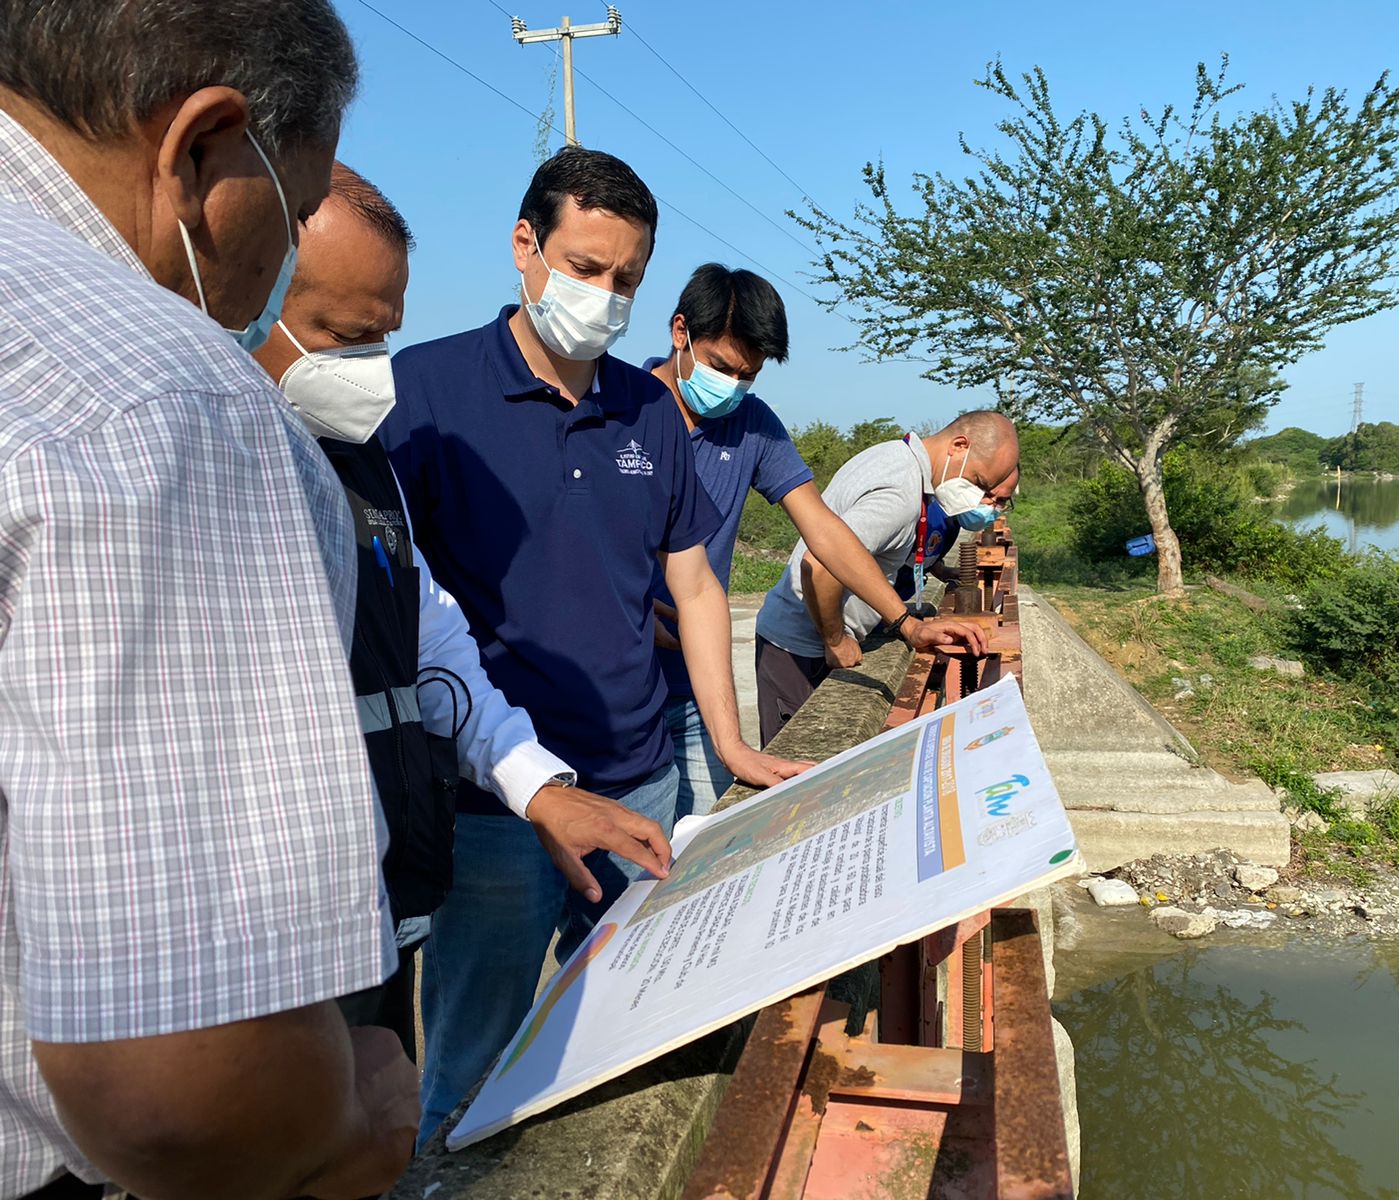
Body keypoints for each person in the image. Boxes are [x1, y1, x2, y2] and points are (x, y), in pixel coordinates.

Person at [0, 4, 419, 1199]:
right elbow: (179, 1095)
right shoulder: (159, 398)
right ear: (200, 147)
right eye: (288, 208)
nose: (272, 261)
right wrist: (353, 1121)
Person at [380, 146, 808, 1142]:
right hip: (495, 803)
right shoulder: (425, 396)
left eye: (623, 280)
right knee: (471, 1061)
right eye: (583, 268)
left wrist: (731, 745)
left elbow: (692, 580)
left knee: (630, 1027)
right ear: (525, 247)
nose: (602, 297)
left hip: (640, 776)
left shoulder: (648, 408)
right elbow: (395, 602)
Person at [250, 164, 671, 1060]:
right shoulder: (182, 464)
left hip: (375, 895)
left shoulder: (360, 466)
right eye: (346, 334)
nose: (369, 367)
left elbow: (433, 638)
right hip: (254, 938)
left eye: (382, 336)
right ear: (248, 300)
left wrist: (540, 788)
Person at [643, 264, 989, 816]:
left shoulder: (752, 425)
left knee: (706, 843)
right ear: (680, 332)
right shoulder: (619, 409)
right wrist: (629, 608)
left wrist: (906, 623)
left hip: (692, 687)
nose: (731, 387)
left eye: (747, 375)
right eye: (720, 367)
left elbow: (825, 531)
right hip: (606, 687)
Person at [754, 413, 1021, 745]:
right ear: (959, 446)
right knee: (797, 775)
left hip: (808, 639)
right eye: (980, 481)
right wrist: (836, 639)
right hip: (801, 648)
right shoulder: (900, 491)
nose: (980, 496)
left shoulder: (896, 457)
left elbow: (867, 557)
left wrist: (906, 622)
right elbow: (819, 565)